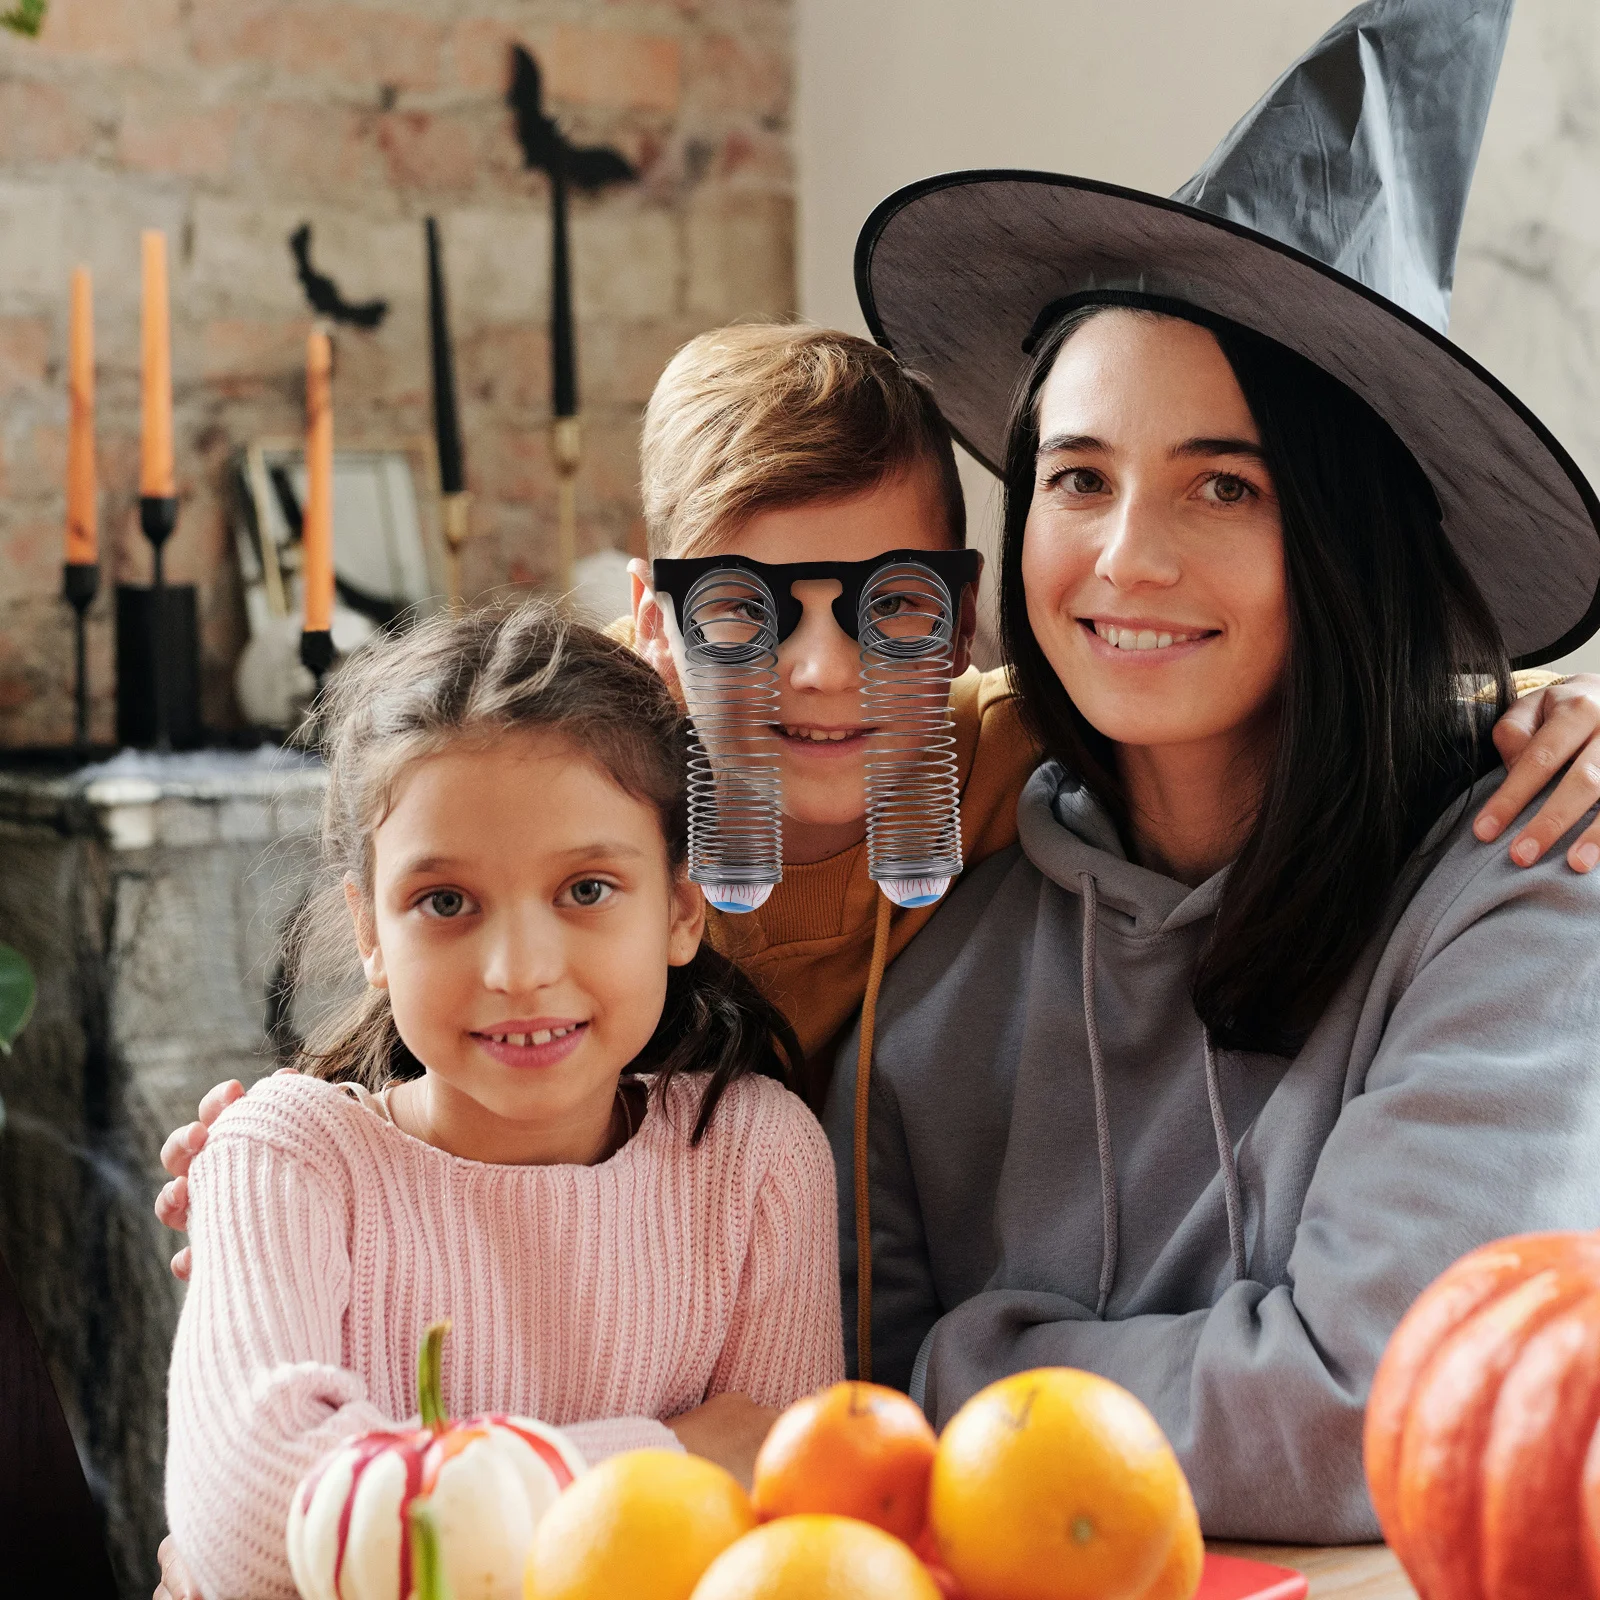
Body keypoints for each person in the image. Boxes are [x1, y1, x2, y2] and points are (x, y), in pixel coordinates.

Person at [154, 320, 1600, 1269]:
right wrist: (291, 1139)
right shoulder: (582, 802)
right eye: (747, 611)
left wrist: (1553, 723)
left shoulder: (1011, 752)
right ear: (655, 625)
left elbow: (1320, 696)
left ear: (962, 623)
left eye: (888, 605)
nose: (823, 670)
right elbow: (444, 951)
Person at [829, 0, 1600, 1545]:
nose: (1127, 557)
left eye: (1225, 486)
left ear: (1345, 540)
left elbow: (1374, 1408)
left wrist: (969, 1371)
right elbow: (841, 1421)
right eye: (1079, 477)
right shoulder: (918, 985)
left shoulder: (1528, 890)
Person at [163, 605, 842, 1600]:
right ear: (370, 930)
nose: (518, 971)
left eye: (586, 889)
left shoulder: (754, 1159)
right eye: (446, 902)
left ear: (682, 906)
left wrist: (381, 1514)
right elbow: (257, 1534)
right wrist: (678, 1455)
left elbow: (783, 1546)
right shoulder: (286, 1155)